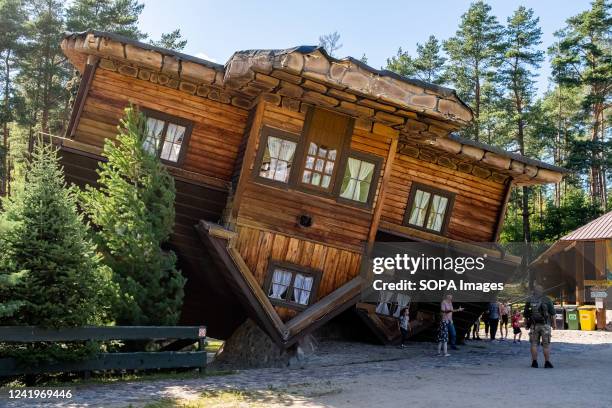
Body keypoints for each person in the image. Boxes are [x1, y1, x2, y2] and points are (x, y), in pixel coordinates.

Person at [524, 284, 556, 368]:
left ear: (534, 291)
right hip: (545, 325)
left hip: (534, 325)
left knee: (534, 344)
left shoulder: (529, 299)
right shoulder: (547, 299)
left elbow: (526, 314)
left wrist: (526, 324)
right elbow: (553, 314)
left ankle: (534, 362)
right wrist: (554, 324)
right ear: (542, 291)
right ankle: (547, 362)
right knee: (546, 345)